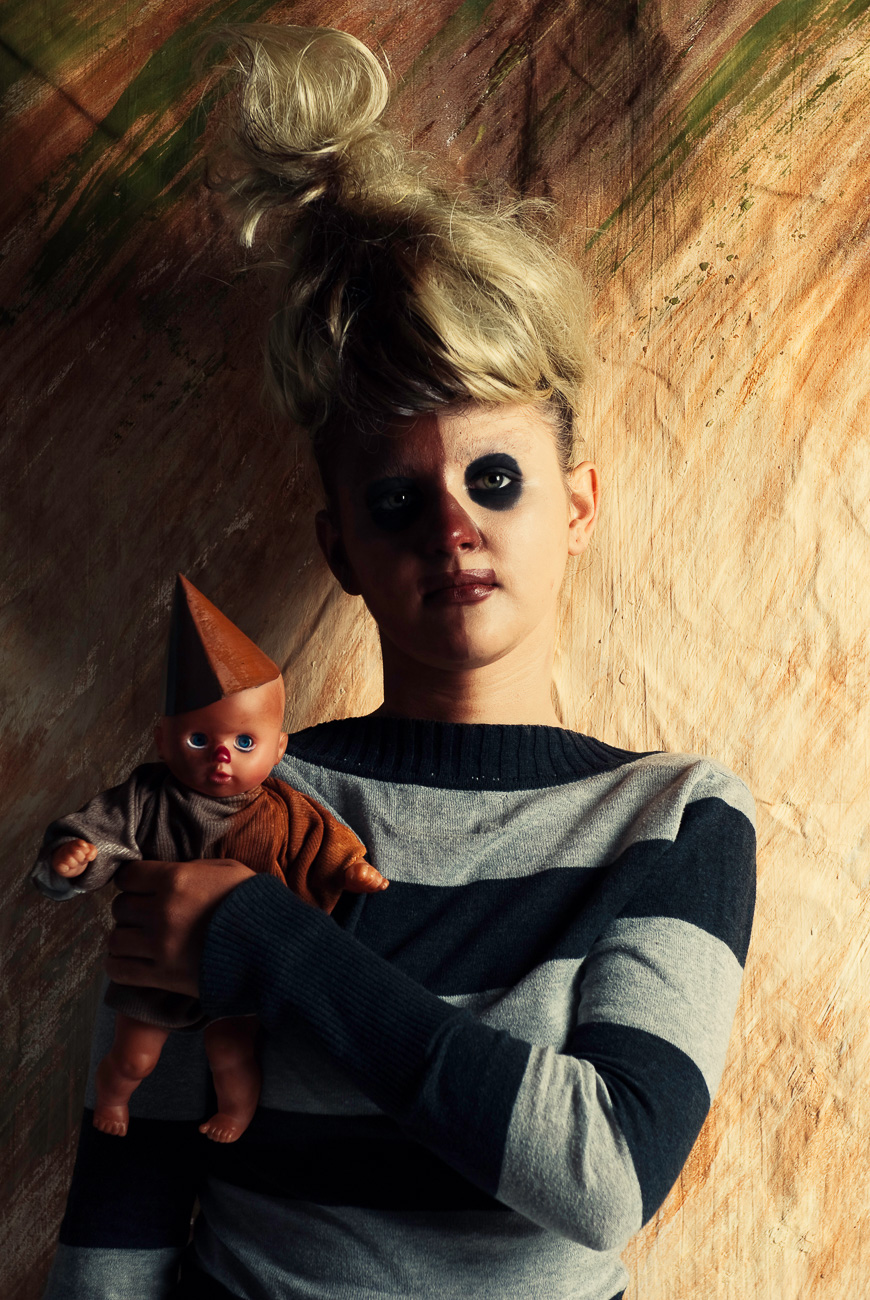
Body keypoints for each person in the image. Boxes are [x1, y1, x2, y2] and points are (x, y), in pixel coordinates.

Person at [40, 23, 756, 1300]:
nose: (452, 526)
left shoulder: (674, 816)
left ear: (575, 504)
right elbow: (129, 1168)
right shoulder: (233, 800)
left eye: (497, 479)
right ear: (341, 548)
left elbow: (606, 1173)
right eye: (394, 500)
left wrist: (268, 937)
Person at [32, 573, 387, 1143]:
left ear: (278, 748)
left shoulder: (285, 807)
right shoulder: (147, 798)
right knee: (135, 1058)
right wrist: (74, 856)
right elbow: (101, 830)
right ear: (163, 740)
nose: (222, 757)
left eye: (245, 743)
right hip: (155, 968)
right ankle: (114, 1097)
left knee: (233, 1055)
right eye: (200, 740)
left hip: (244, 964)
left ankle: (234, 1115)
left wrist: (349, 869)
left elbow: (322, 841)